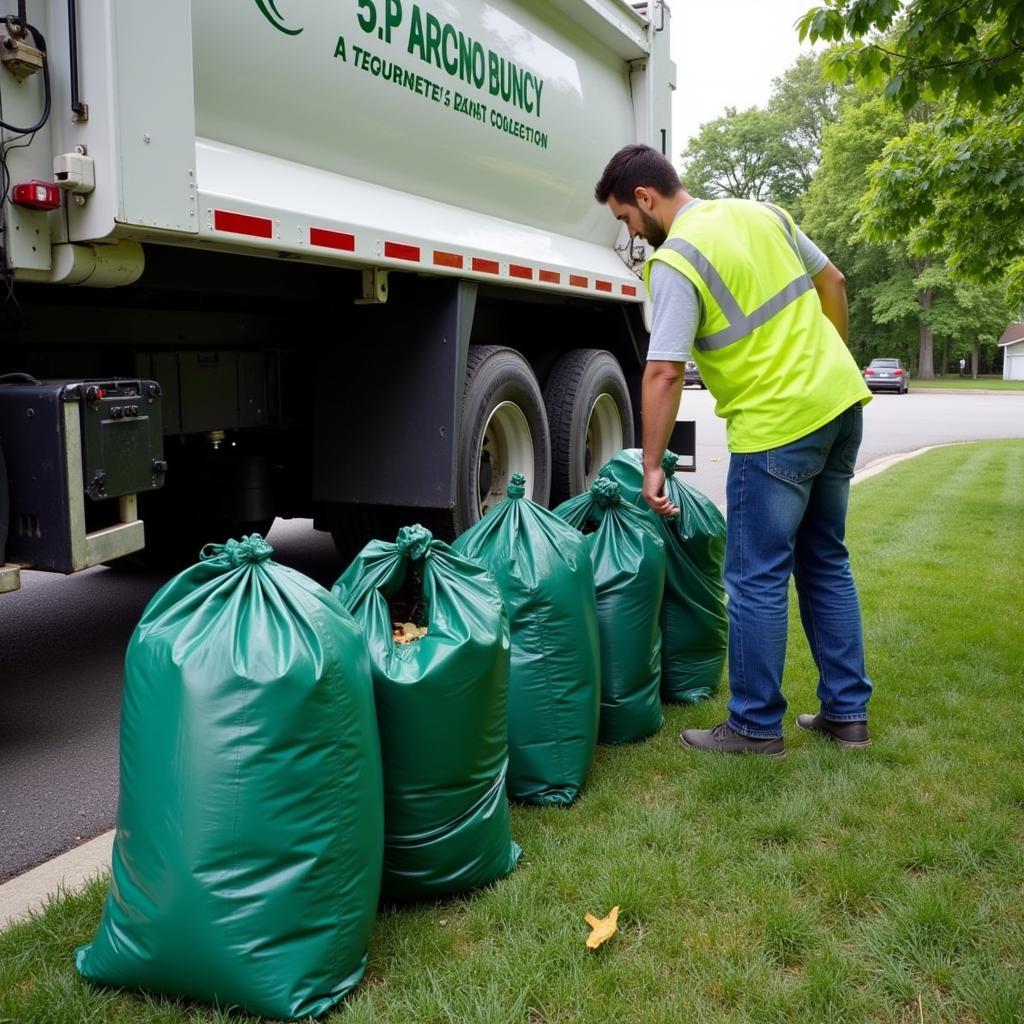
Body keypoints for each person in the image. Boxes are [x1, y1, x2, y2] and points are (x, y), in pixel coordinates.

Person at [594, 144, 873, 757]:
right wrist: (828, 364)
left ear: (645, 197)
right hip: (839, 404)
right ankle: (847, 714)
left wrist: (649, 465)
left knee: (756, 577)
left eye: (625, 218)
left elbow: (664, 371)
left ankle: (752, 726)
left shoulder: (676, 260)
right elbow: (834, 281)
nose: (631, 232)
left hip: (775, 426)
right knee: (825, 558)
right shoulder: (762, 213)